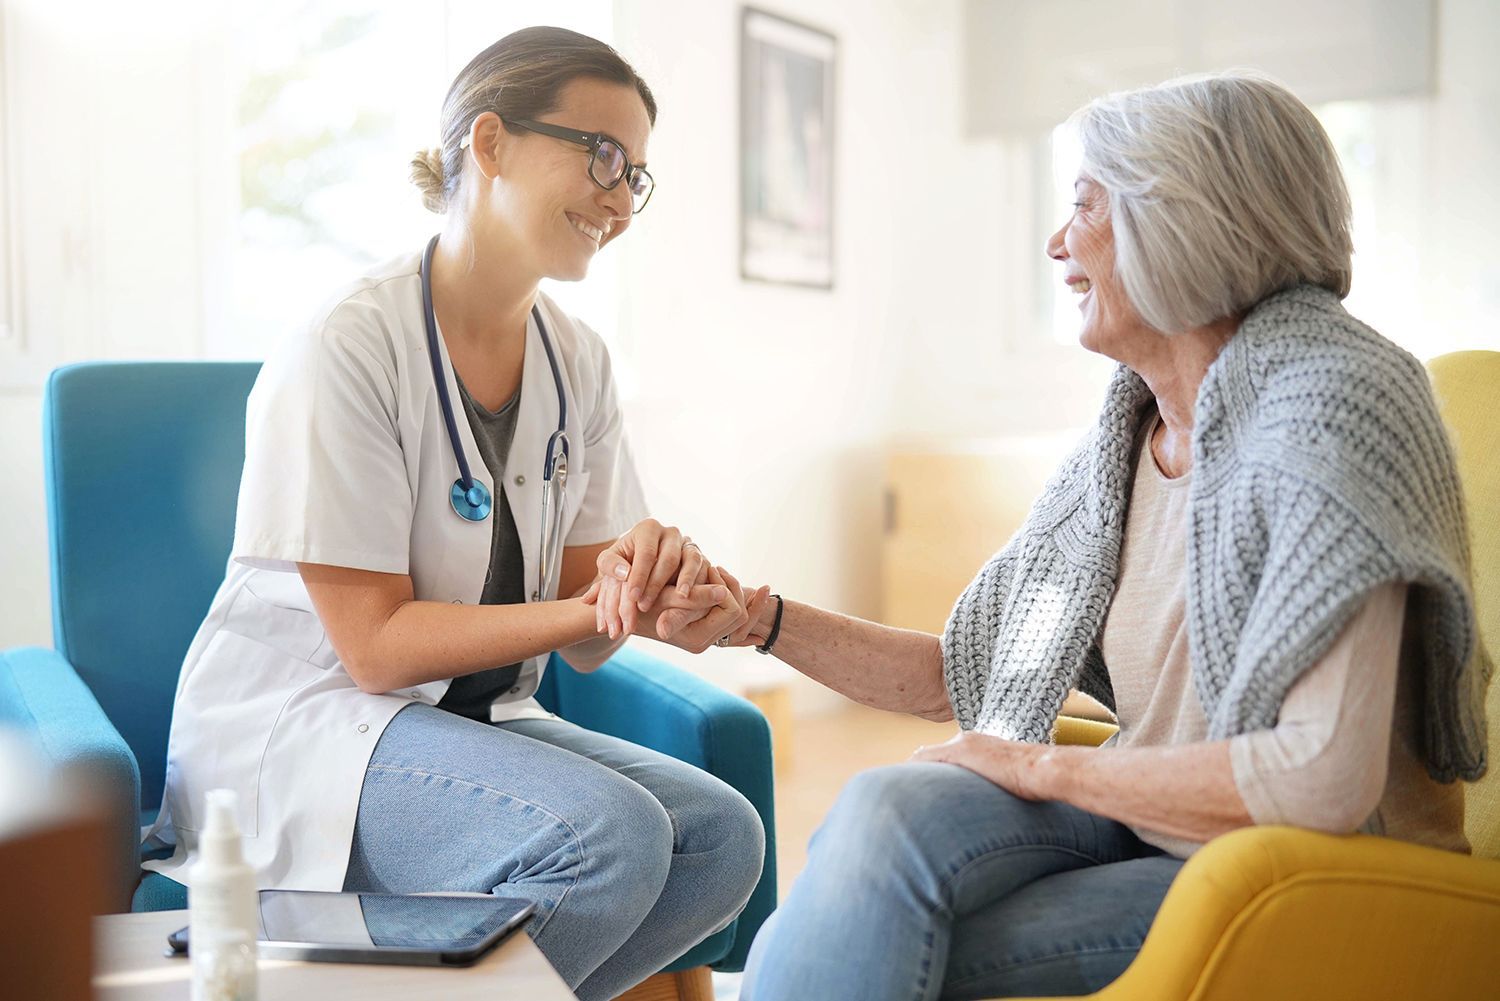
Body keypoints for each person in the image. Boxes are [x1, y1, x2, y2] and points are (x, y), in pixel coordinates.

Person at [665, 72, 1489, 1000]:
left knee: (866, 922)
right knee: (883, 810)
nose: (1058, 244)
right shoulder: (1125, 441)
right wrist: (756, 618)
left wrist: (1034, 765)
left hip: (1319, 865)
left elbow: (1320, 783)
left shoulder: (1335, 409)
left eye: (1085, 206)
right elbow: (966, 674)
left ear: (1183, 216)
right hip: (1156, 821)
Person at [143, 27, 765, 1001]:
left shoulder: (579, 360)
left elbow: (592, 622)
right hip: (314, 728)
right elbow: (378, 649)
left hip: (473, 722)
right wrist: (594, 611)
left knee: (723, 838)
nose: (618, 197)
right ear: (490, 143)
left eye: (636, 175)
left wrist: (652, 593)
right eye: (602, 155)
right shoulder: (349, 343)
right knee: (612, 837)